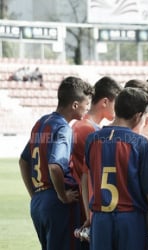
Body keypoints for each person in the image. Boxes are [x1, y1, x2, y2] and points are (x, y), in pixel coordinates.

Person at [18, 76, 93, 250]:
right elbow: (54, 166)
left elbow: (23, 161)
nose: (87, 108)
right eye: (85, 103)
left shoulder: (41, 123)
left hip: (39, 202)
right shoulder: (63, 128)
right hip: (57, 203)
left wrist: (35, 194)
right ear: (75, 105)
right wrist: (62, 195)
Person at [84, 87, 148, 250]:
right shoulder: (139, 143)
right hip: (130, 219)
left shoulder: (92, 139)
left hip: (100, 219)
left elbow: (88, 176)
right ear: (138, 116)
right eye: (146, 116)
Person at [71, 76, 122, 246]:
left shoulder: (87, 127)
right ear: (105, 102)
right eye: (116, 103)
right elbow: (85, 175)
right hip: (89, 207)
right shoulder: (87, 129)